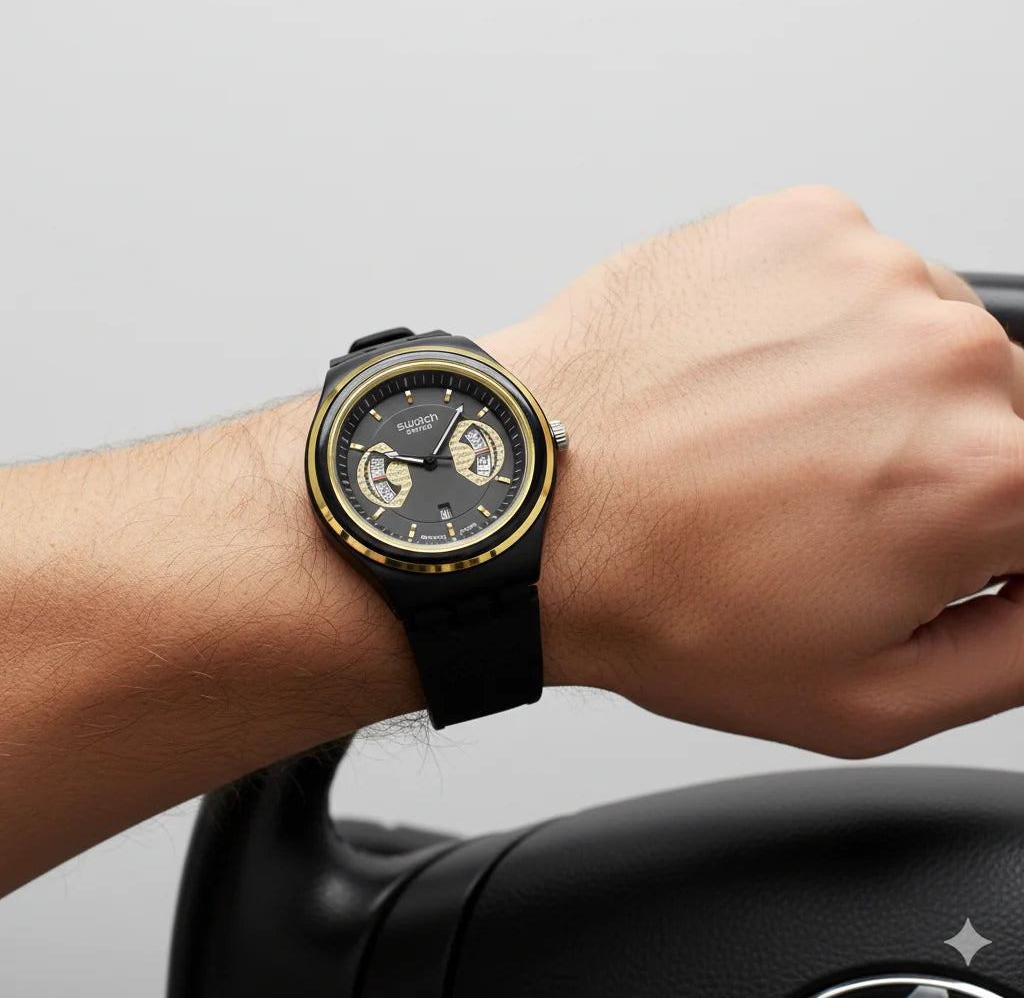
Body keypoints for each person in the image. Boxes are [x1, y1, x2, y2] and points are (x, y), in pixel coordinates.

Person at [2, 184, 1022, 899]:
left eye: (453, 450)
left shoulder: (456, 442)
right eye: (415, 463)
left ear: (542, 437)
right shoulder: (406, 462)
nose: (433, 464)